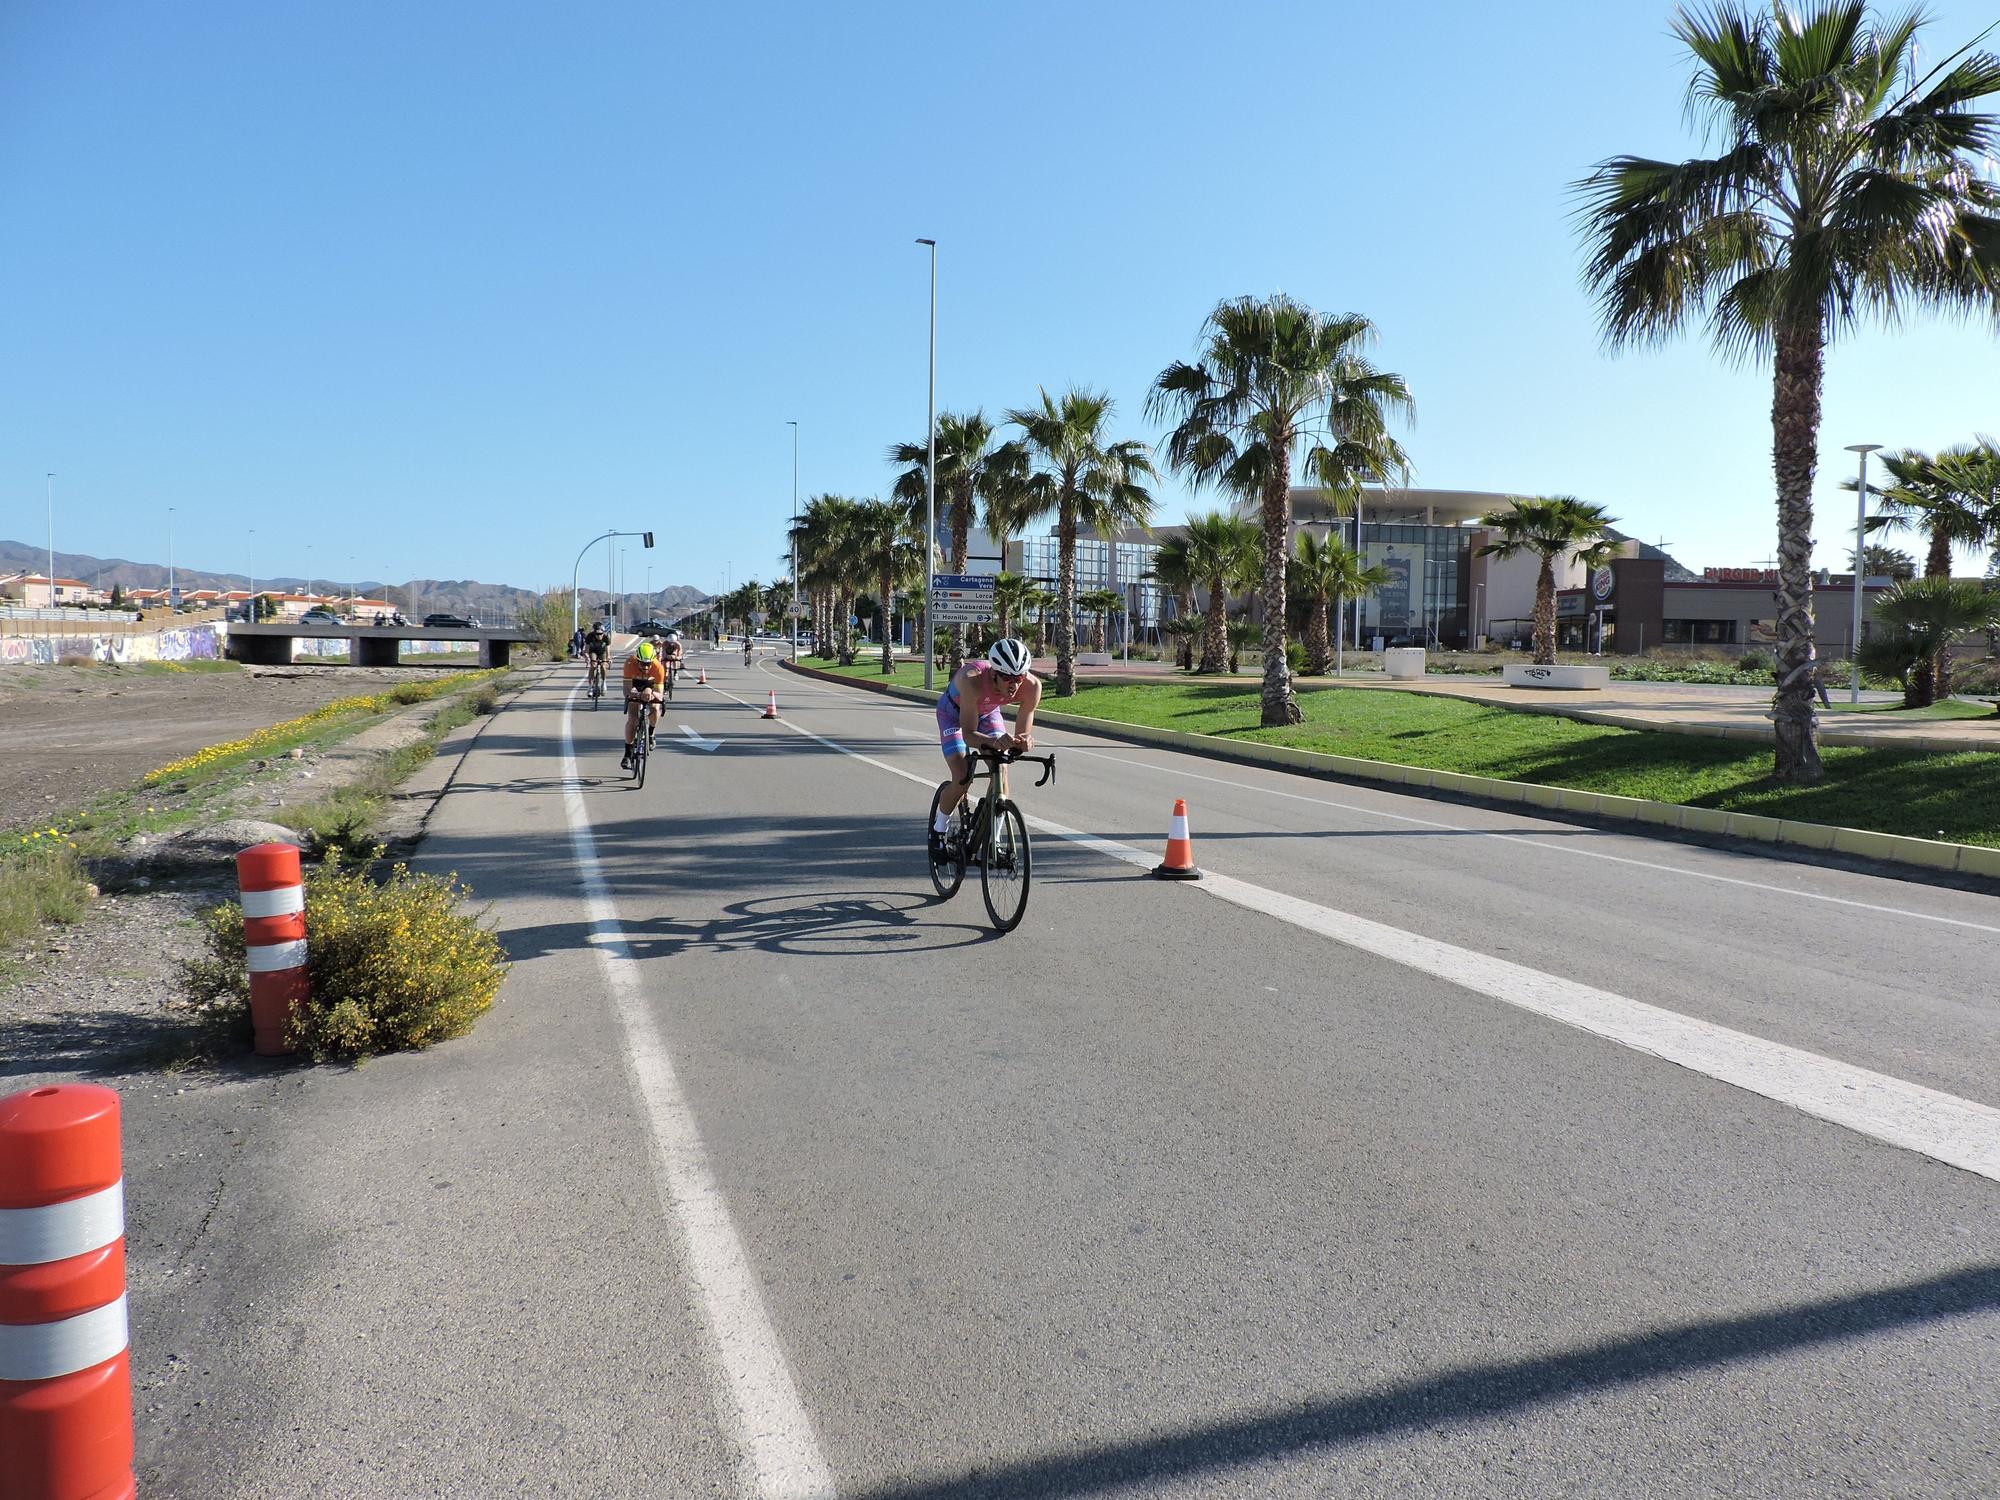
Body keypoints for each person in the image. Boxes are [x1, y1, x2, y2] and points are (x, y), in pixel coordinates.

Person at [931, 639, 1040, 851]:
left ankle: (994, 841)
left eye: (1019, 677)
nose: (1014, 685)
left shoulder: (1032, 686)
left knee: (1001, 768)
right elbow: (970, 735)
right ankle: (939, 829)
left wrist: (1024, 740)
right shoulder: (972, 680)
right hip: (953, 715)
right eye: (1008, 678)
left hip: (988, 714)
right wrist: (993, 742)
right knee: (962, 776)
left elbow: (1023, 731)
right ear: (994, 674)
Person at [623, 639, 666, 767]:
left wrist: (651, 693)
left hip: (651, 687)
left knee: (655, 708)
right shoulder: (630, 663)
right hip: (635, 687)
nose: (646, 667)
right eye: (642, 664)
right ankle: (627, 753)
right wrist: (637, 694)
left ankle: (651, 733)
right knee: (632, 717)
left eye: (649, 664)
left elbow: (660, 694)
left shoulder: (658, 667)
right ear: (637, 660)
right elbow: (626, 690)